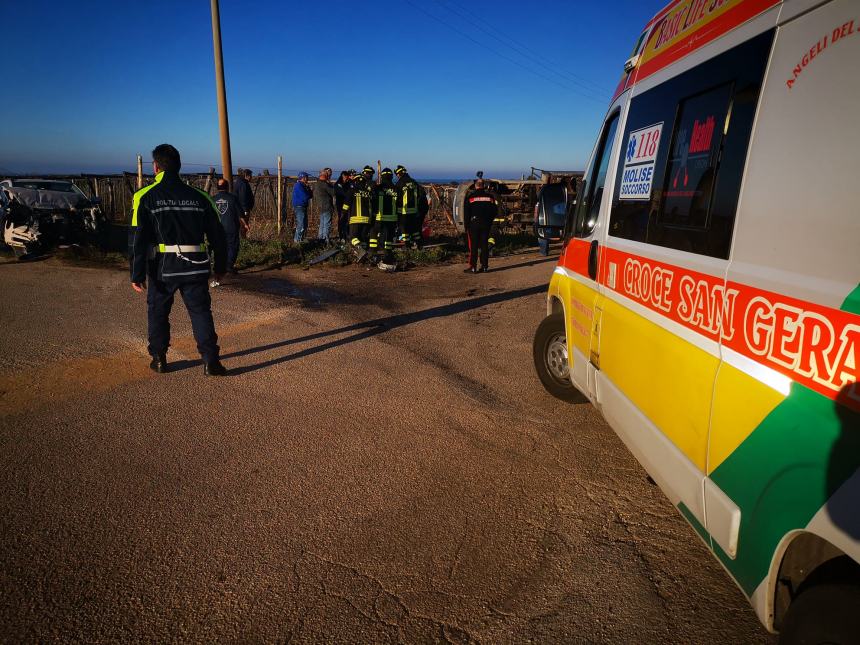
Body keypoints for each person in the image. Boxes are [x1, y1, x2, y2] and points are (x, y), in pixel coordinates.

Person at [129, 143, 228, 376]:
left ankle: (160, 358)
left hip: (163, 267)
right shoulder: (201, 197)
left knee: (158, 312)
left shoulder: (144, 196)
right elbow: (218, 237)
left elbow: (137, 239)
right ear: (179, 167)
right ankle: (211, 361)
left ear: (156, 167)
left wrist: (136, 273)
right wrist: (221, 267)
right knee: (201, 312)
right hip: (196, 266)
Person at [463, 178, 498, 273]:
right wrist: (489, 221)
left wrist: (466, 226)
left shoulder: (470, 197)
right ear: (483, 185)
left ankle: (473, 267)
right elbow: (495, 211)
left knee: (473, 246)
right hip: (486, 224)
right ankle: (485, 266)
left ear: (476, 186)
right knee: (484, 245)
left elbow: (466, 214)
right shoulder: (490, 197)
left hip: (474, 224)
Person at [213, 178, 246, 274]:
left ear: (217, 187)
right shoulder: (233, 198)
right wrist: (245, 224)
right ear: (227, 187)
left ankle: (219, 265)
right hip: (231, 227)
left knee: (220, 247)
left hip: (217, 228)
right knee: (233, 246)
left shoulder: (213, 199)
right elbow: (240, 214)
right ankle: (229, 265)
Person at [369, 167, 399, 271]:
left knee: (374, 232)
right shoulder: (395, 187)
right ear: (391, 176)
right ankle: (387, 253)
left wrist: (375, 184)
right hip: (393, 218)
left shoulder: (380, 187)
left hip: (380, 217)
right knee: (389, 237)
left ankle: (373, 252)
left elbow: (371, 191)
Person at [394, 165, 428, 248]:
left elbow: (396, 197)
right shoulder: (413, 182)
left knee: (404, 229)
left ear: (399, 174)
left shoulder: (399, 183)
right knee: (414, 229)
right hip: (414, 211)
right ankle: (419, 244)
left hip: (403, 211)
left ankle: (407, 246)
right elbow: (421, 195)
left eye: (397, 174)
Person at [344, 169, 372, 256]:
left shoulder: (352, 191)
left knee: (353, 237)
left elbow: (346, 205)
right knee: (363, 238)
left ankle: (360, 249)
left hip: (355, 219)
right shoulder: (368, 192)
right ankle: (363, 254)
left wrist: (343, 215)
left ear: (355, 181)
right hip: (367, 219)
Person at [312, 167, 337, 242]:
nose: (329, 175)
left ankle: (320, 238)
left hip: (321, 206)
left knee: (322, 223)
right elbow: (333, 192)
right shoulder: (325, 184)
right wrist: (330, 184)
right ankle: (326, 239)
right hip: (327, 206)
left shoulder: (317, 184)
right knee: (327, 224)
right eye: (328, 174)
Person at [292, 172, 313, 242]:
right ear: (303, 178)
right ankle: (297, 240)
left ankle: (301, 239)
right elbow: (305, 196)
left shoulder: (304, 185)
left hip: (303, 206)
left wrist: (308, 188)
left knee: (304, 224)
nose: (308, 179)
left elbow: (310, 195)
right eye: (306, 177)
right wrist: (307, 193)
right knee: (301, 224)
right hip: (299, 207)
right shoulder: (298, 185)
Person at [335, 170, 354, 242]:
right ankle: (341, 235)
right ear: (343, 176)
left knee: (347, 220)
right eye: (346, 176)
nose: (347, 178)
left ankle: (347, 234)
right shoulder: (338, 184)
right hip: (340, 204)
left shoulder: (348, 183)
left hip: (348, 204)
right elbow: (343, 193)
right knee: (342, 219)